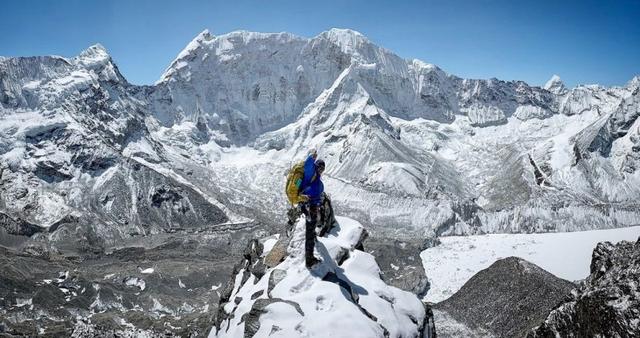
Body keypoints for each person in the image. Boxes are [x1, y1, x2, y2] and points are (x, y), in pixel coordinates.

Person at [300, 159, 325, 268]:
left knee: (310, 231)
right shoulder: (311, 176)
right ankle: (309, 260)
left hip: (311, 207)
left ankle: (309, 256)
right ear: (316, 167)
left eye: (322, 168)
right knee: (309, 234)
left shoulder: (313, 177)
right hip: (310, 208)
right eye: (320, 167)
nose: (321, 170)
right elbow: (308, 165)